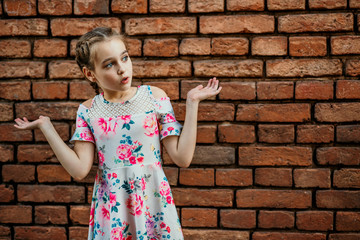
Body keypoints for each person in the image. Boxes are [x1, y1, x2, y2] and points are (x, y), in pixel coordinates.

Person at [14, 27, 222, 240]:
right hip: (113, 209)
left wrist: (192, 103)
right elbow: (79, 170)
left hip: (153, 201)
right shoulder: (88, 111)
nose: (122, 69)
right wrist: (46, 127)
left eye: (124, 58)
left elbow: (182, 158)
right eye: (110, 64)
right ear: (90, 74)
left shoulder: (154, 98)